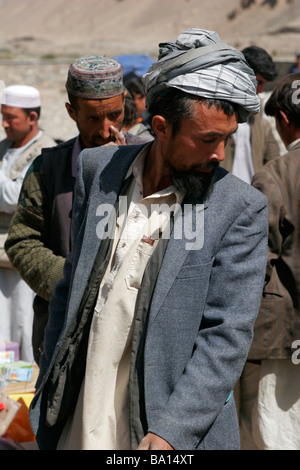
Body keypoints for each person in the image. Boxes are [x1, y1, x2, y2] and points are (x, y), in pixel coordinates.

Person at [29, 29, 268, 451]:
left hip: (164, 423)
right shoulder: (97, 170)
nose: (220, 155)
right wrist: (51, 376)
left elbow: (227, 335)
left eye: (227, 139)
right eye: (208, 139)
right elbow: (72, 286)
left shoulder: (240, 208)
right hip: (83, 408)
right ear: (161, 127)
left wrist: (172, 431)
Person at [5, 56, 147, 365]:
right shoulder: (49, 168)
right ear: (72, 112)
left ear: (125, 103)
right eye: (93, 119)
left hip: (132, 332)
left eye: (115, 115)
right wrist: (69, 281)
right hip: (62, 327)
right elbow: (21, 241)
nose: (106, 129)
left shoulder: (149, 161)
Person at [237, 73, 300, 450]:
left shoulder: (275, 175)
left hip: (285, 335)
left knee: (278, 432)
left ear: (285, 121)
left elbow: (256, 261)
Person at [0, 85, 56, 362]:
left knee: (23, 329)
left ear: (32, 117)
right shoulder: (4, 149)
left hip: (23, 264)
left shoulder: (47, 154)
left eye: (11, 117)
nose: (5, 124)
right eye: (3, 116)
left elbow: (14, 197)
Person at [221, 45, 280, 183]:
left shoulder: (260, 122)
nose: (260, 90)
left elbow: (274, 161)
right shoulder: (216, 112)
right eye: (258, 82)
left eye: (263, 84)